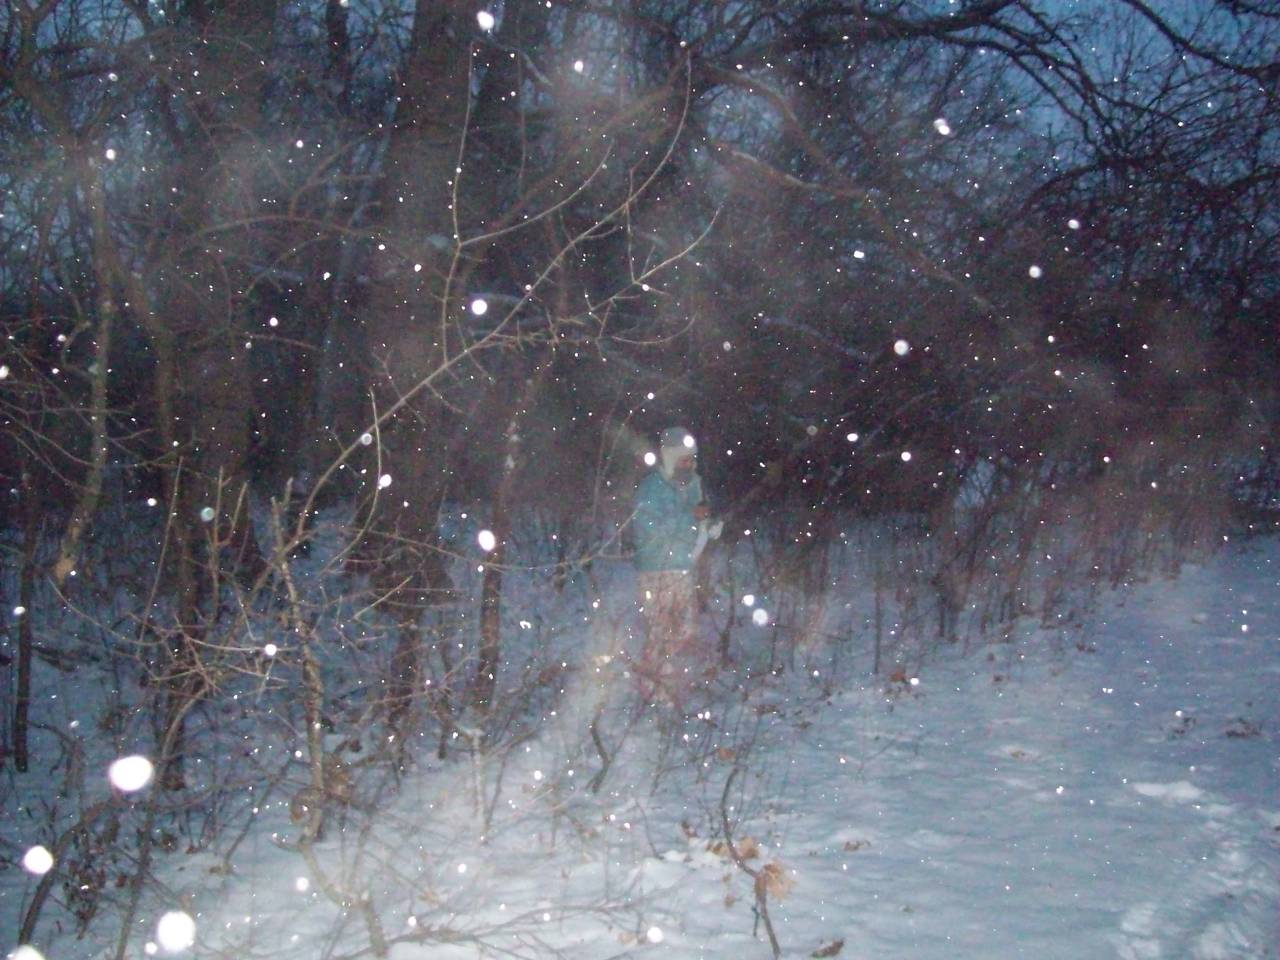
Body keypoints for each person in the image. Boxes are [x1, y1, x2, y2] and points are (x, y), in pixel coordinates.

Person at [631, 426, 721, 705]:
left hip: (683, 566)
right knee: (660, 630)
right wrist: (691, 518)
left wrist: (708, 526)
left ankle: (666, 679)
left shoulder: (694, 483)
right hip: (655, 569)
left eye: (692, 459)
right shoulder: (651, 488)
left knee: (684, 629)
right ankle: (653, 688)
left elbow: (697, 518)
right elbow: (650, 529)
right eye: (684, 459)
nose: (689, 465)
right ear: (670, 458)